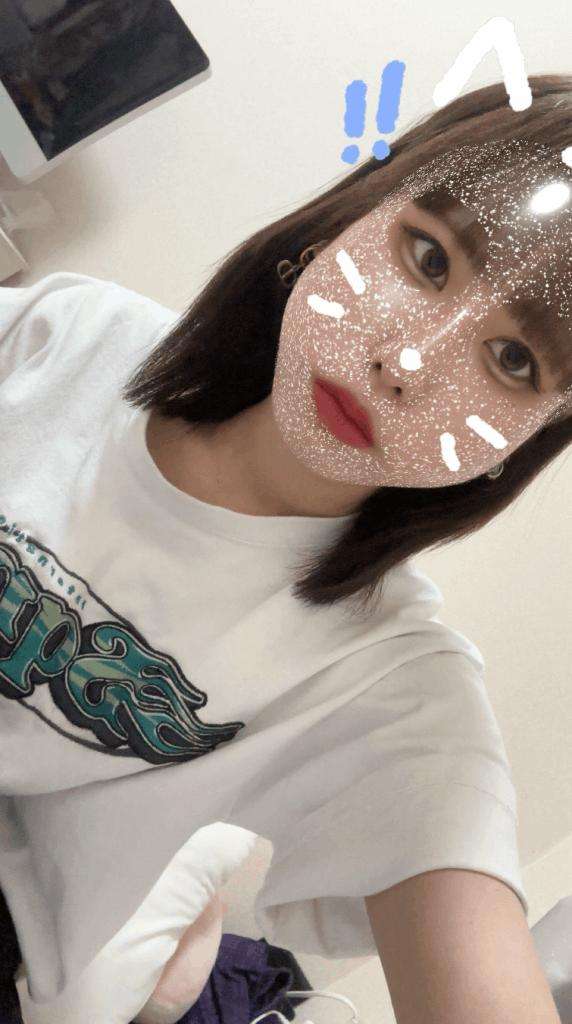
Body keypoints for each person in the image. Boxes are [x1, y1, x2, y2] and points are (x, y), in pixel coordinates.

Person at [0, 72, 571, 1024]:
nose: (407, 362)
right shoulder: (63, 336)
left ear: (528, 438)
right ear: (351, 217)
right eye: (428, 257)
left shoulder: (393, 689)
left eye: (514, 359)